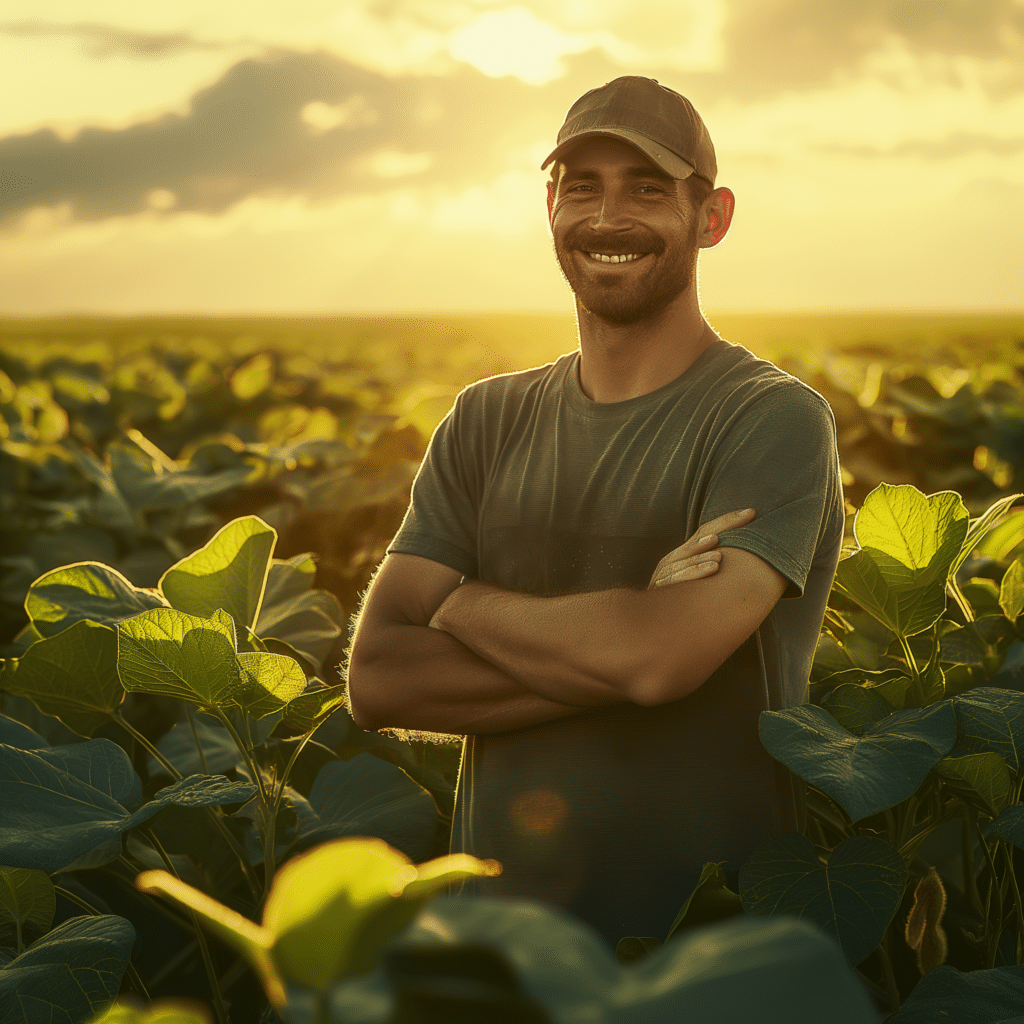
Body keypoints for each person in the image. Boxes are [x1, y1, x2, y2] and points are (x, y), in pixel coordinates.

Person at [346, 76, 845, 950]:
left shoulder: (769, 418)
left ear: (714, 216)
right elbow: (379, 679)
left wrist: (462, 605)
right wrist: (619, 644)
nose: (608, 217)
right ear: (550, 207)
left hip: (709, 955)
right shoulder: (485, 419)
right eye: (583, 186)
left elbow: (655, 662)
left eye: (648, 189)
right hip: (500, 961)